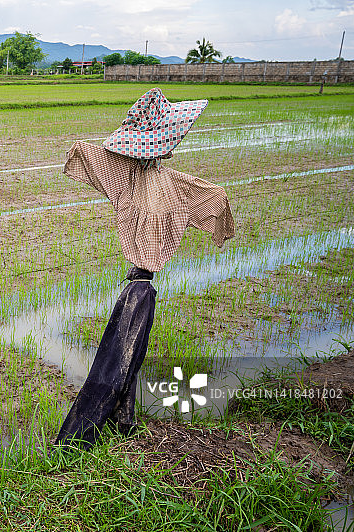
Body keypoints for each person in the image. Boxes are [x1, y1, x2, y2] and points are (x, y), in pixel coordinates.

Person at [55, 87, 235, 450]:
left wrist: (131, 149)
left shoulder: (167, 181)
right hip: (139, 289)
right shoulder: (133, 177)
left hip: (139, 288)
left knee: (128, 357)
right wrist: (131, 150)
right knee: (116, 363)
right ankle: (78, 438)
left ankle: (124, 420)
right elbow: (84, 152)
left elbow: (214, 198)